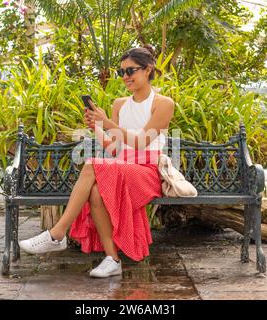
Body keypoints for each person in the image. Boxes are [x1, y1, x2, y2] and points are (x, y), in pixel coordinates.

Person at [19, 45, 175, 278]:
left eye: (130, 71)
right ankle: (112, 259)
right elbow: (113, 147)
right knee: (95, 193)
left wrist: (108, 124)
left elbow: (143, 142)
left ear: (148, 69)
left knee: (92, 164)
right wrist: (99, 127)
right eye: (121, 72)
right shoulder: (119, 104)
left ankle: (57, 233)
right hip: (122, 166)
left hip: (146, 171)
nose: (125, 77)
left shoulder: (163, 103)